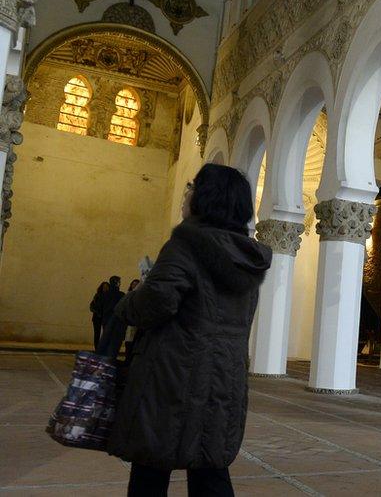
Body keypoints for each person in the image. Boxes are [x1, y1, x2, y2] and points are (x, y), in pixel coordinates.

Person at [106, 164, 272, 497]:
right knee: (209, 470)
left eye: (192, 186)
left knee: (150, 468)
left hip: (171, 378)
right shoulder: (246, 257)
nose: (187, 193)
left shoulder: (185, 245)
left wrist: (126, 304)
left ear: (206, 198)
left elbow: (156, 303)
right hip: (223, 378)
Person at [94, 277, 125, 356]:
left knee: (105, 339)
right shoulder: (121, 295)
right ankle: (110, 359)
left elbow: (98, 307)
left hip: (106, 319)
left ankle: (103, 358)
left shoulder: (104, 295)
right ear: (117, 283)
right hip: (117, 321)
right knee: (114, 341)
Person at [88, 281, 109, 348]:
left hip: (105, 317)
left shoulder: (109, 297)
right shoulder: (97, 296)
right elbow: (92, 306)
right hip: (97, 318)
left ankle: (103, 347)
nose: (105, 288)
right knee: (97, 333)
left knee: (105, 334)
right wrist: (98, 312)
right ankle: (97, 348)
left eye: (107, 287)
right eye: (104, 287)